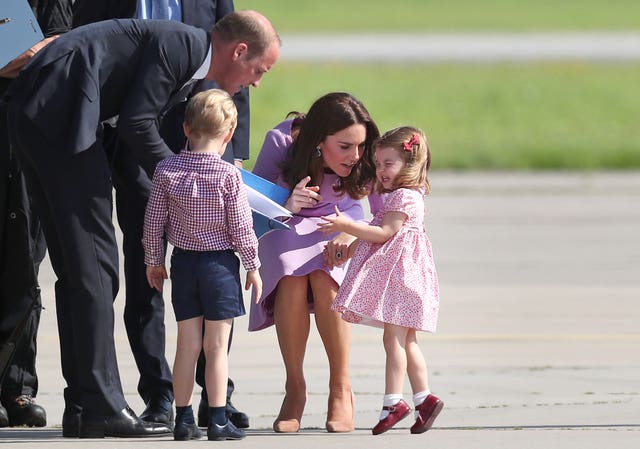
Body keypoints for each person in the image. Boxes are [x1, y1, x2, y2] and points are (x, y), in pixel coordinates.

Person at [4, 11, 279, 438]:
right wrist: (188, 179)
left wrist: (169, 185)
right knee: (96, 267)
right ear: (239, 51)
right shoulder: (182, 47)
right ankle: (100, 406)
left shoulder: (180, 49)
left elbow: (127, 128)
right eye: (259, 69)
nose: (258, 81)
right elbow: (137, 124)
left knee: (78, 270)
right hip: (62, 118)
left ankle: (82, 405)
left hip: (41, 115)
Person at [71, 0, 252, 429]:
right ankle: (160, 393)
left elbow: (236, 62)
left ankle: (215, 397)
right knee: (146, 262)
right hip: (124, 141)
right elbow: (87, 47)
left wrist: (235, 152)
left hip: (200, 139)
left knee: (215, 268)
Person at [248, 92, 380, 433]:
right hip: (288, 221)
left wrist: (353, 233)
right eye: (344, 146)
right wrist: (288, 200)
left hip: (343, 222)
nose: (355, 156)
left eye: (360, 146)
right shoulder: (281, 140)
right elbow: (255, 200)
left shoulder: (368, 156)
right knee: (289, 277)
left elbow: (385, 214)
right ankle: (295, 389)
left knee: (325, 277)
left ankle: (341, 388)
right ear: (319, 141)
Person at [142, 88, 261, 441]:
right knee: (215, 348)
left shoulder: (166, 169)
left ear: (185, 128)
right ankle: (219, 419)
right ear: (228, 134)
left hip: (183, 266)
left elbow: (153, 223)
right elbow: (240, 226)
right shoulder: (228, 177)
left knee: (186, 346)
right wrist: (252, 263)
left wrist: (153, 261)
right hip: (219, 267)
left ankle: (183, 418)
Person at [318, 126, 444, 435]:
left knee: (393, 339)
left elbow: (384, 233)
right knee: (407, 340)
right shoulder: (400, 195)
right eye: (378, 164)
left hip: (401, 279)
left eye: (389, 163)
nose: (381, 170)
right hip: (404, 278)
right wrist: (348, 250)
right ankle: (424, 398)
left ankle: (393, 402)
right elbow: (375, 229)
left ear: (409, 163)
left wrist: (346, 224)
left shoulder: (403, 198)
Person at [0, 0, 73, 428]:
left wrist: (20, 56)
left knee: (25, 261)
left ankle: (18, 387)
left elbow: (60, 49)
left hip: (29, 132)